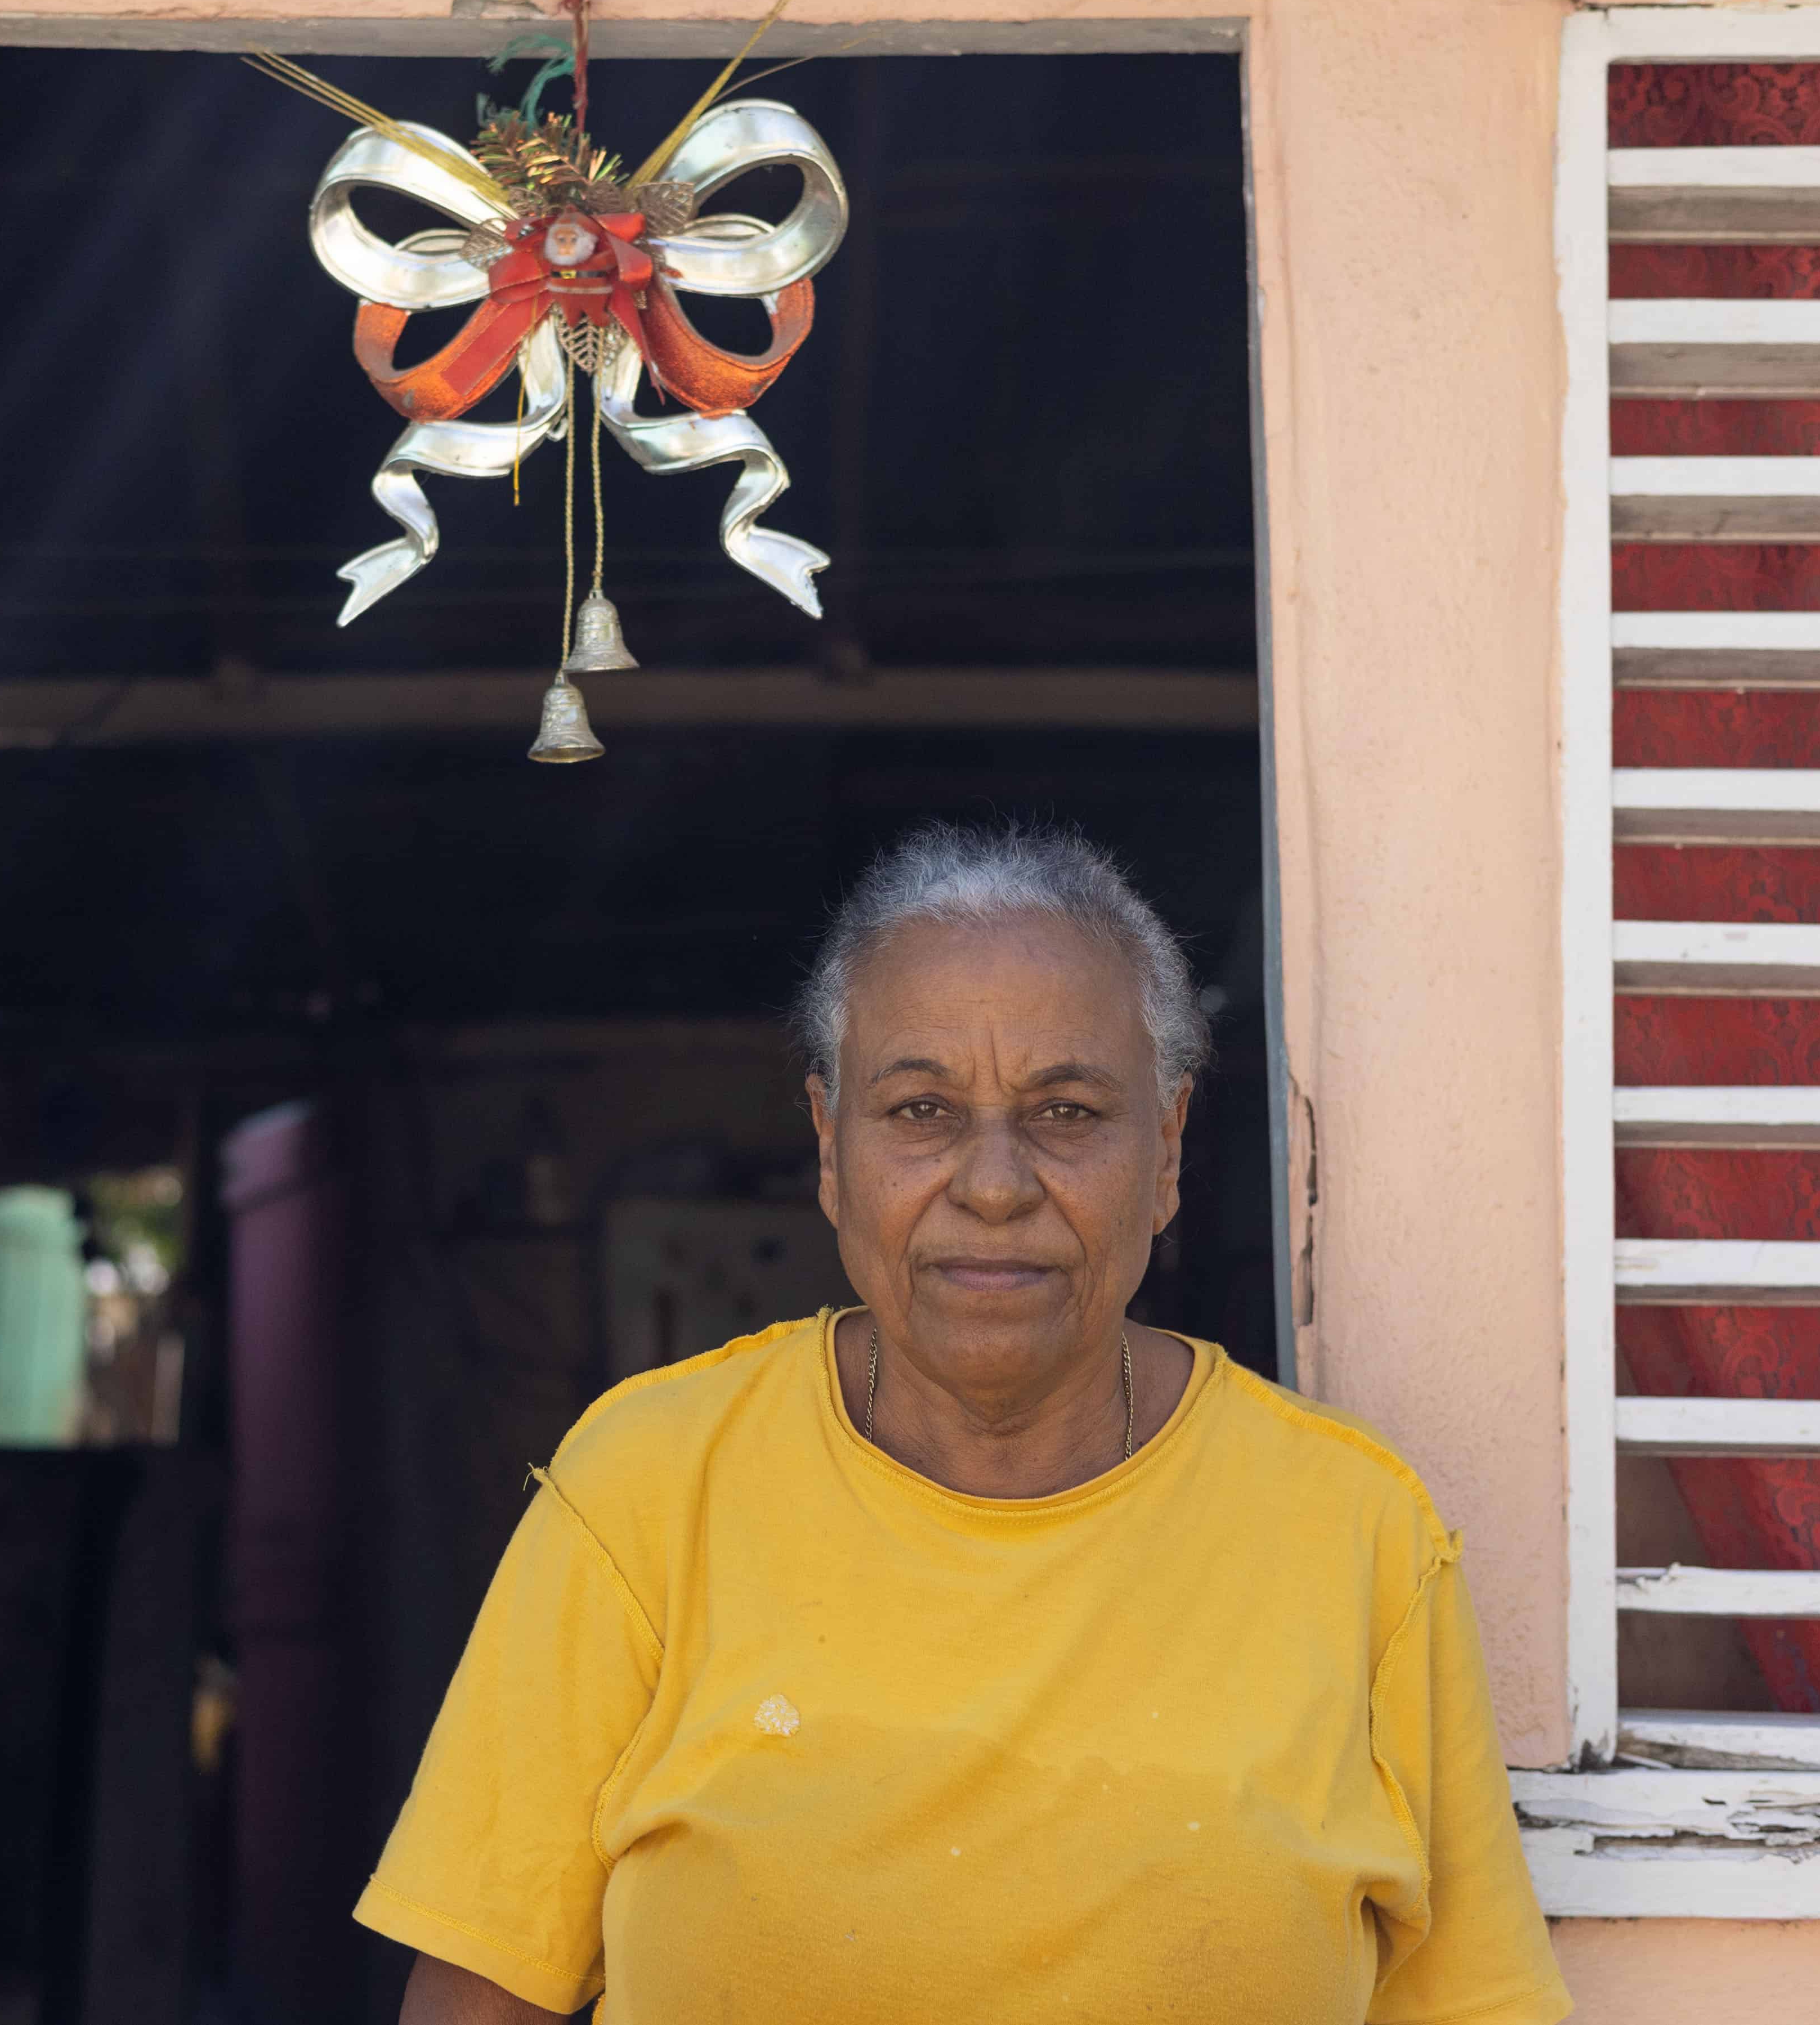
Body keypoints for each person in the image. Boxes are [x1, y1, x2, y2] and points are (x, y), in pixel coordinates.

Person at [354, 824, 1568, 2023]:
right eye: (922, 1109)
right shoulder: (647, 1491)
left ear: (1167, 1148)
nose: (993, 1185)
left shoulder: (1354, 1531)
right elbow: (479, 1995)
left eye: (1068, 1111)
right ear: (830, 1146)